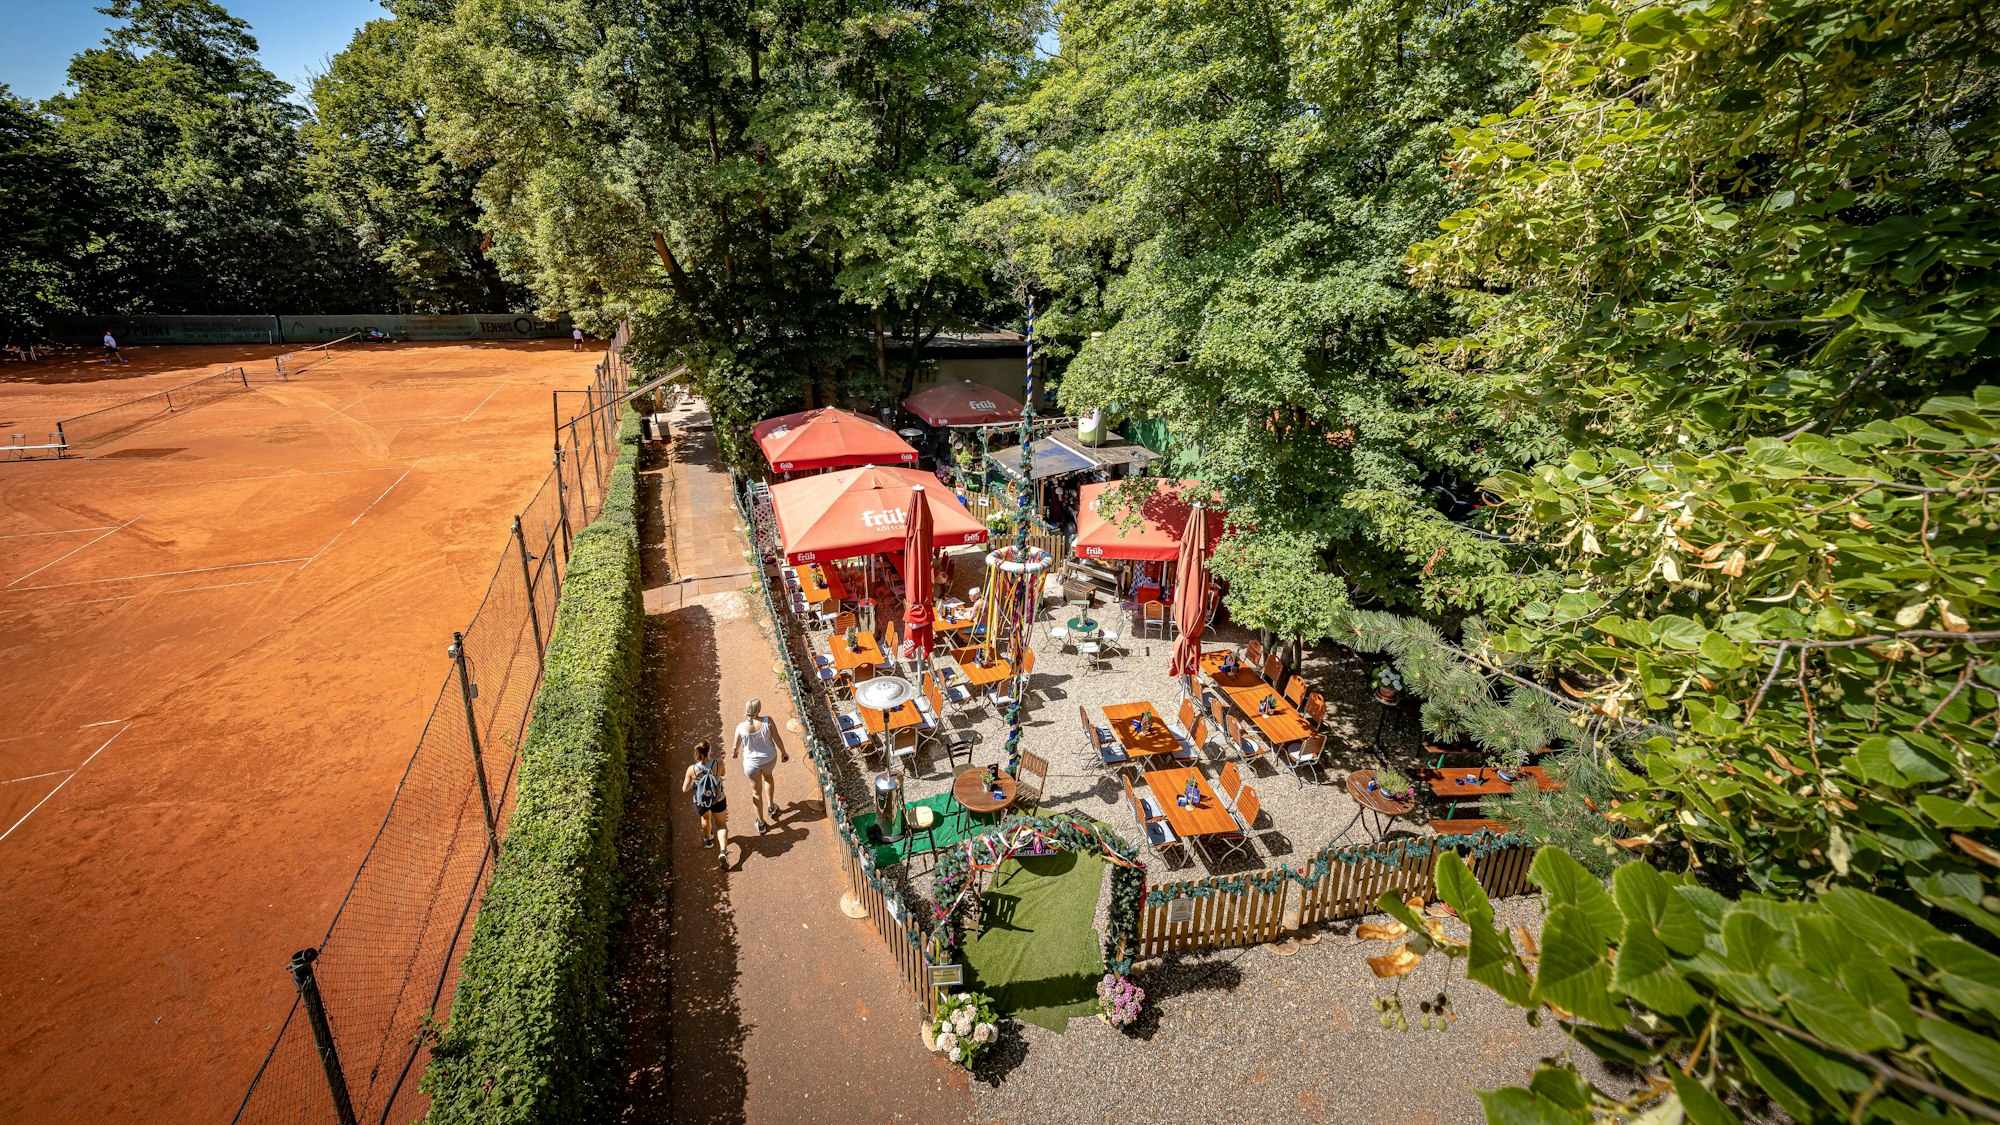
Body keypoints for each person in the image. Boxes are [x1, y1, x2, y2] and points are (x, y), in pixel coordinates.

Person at [731, 698, 789, 834]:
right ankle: (771, 806)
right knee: (768, 778)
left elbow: (735, 748)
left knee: (756, 793)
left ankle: (761, 824)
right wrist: (784, 752)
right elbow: (778, 739)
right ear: (759, 710)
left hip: (751, 765)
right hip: (769, 759)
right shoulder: (768, 721)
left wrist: (735, 753)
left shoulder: (740, 727)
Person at [681, 740, 730, 867]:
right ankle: (723, 851)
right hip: (718, 798)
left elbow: (685, 789)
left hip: (701, 801)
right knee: (721, 825)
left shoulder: (691, 769)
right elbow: (723, 773)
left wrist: (694, 780)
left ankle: (708, 840)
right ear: (709, 751)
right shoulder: (718, 762)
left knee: (705, 818)